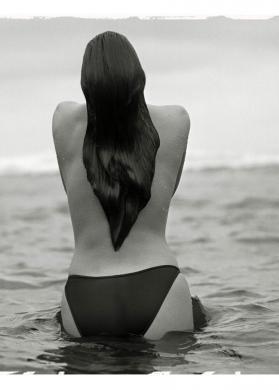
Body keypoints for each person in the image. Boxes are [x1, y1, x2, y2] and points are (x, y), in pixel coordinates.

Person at [53, 31, 199, 340]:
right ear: (139, 77)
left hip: (84, 293)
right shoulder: (176, 121)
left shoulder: (64, 121)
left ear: (85, 82)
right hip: (158, 285)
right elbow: (168, 190)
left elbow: (70, 186)